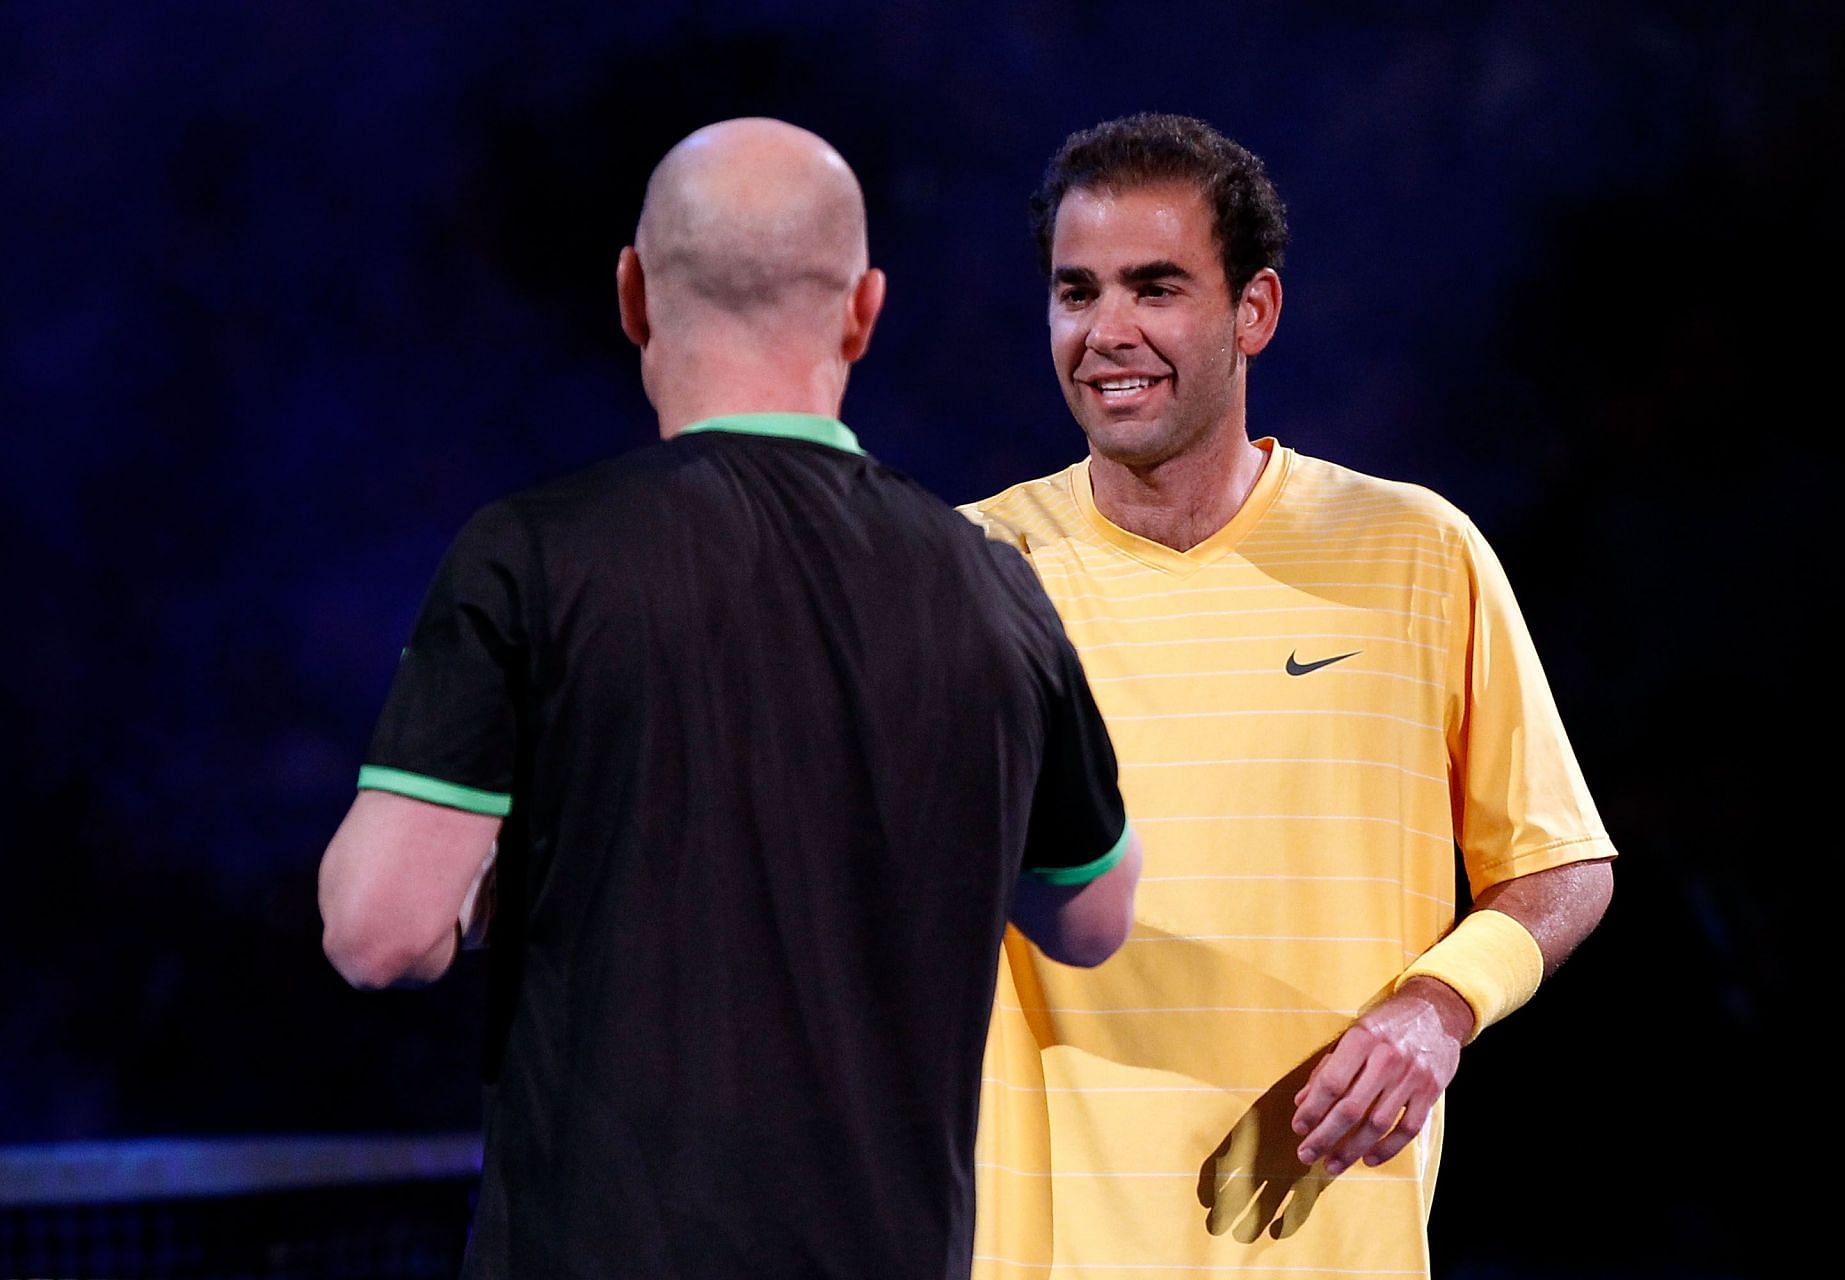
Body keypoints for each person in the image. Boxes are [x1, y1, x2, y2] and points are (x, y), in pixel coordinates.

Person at [316, 117, 1143, 1279]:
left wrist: (520, 869)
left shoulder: (533, 556)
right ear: (864, 308)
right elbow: (1095, 918)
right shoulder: (995, 588)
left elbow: (378, 929)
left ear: (633, 292)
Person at [961, 113, 1616, 1279]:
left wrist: (1439, 1005)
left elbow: (1561, 863)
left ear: (1254, 310)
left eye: (1156, 287)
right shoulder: (966, 572)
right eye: (1077, 292)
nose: (1108, 331)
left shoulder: (1418, 552)